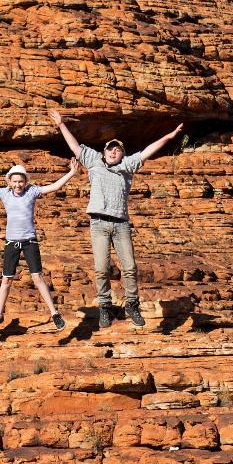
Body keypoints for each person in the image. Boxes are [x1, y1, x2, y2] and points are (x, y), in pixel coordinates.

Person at [48, 109, 183, 328]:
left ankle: (132, 304)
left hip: (121, 225)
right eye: (110, 148)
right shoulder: (93, 161)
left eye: (117, 149)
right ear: (104, 150)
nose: (113, 151)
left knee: (129, 267)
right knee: (101, 268)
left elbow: (148, 151)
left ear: (122, 154)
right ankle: (105, 306)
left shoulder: (127, 166)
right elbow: (74, 147)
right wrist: (61, 124)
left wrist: (170, 136)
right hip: (99, 224)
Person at [0, 155, 79, 334]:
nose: (18, 185)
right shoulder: (4, 193)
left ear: (25, 181)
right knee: (6, 280)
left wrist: (72, 172)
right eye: (14, 181)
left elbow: (54, 186)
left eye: (21, 181)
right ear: (9, 182)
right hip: (11, 242)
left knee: (37, 278)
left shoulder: (32, 191)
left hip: (29, 241)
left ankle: (54, 314)